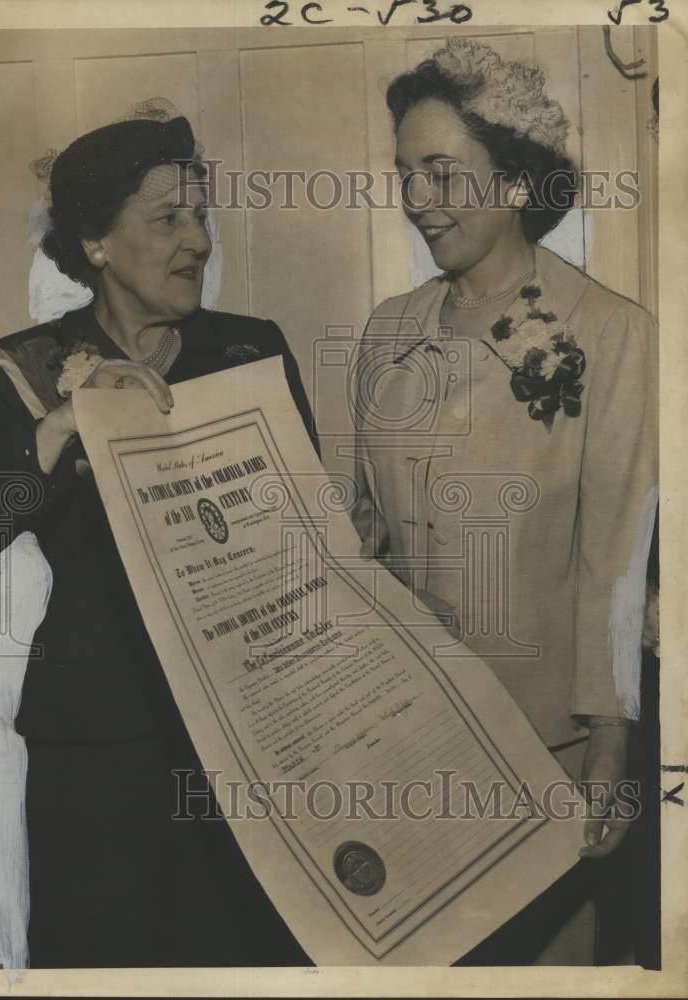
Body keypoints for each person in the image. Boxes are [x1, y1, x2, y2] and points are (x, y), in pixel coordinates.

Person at [0, 106, 316, 968]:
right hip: (92, 758)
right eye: (167, 219)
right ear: (95, 243)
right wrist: (54, 434)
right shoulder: (18, 370)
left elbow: (306, 538)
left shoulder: (249, 350)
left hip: (246, 752)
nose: (196, 241)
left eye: (201, 217)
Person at [351, 37, 657, 964]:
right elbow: (362, 535)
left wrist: (608, 754)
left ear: (515, 180)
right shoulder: (385, 331)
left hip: (542, 748)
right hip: (402, 742)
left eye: (442, 173)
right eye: (406, 174)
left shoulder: (610, 333)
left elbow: (617, 563)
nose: (417, 200)